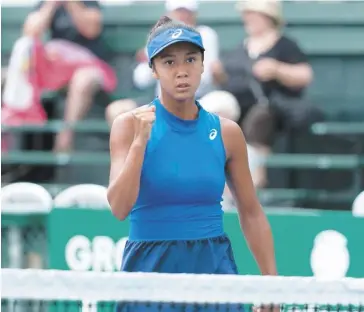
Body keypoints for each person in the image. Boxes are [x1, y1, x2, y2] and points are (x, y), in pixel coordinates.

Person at [108, 15, 277, 312]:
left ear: (202, 65)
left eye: (190, 59)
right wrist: (139, 145)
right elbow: (119, 208)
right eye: (169, 62)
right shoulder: (128, 125)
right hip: (147, 272)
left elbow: (251, 211)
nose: (181, 71)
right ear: (154, 70)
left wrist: (271, 283)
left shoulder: (227, 132)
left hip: (214, 268)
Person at [212, 0, 313, 188]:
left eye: (253, 14)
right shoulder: (241, 47)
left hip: (276, 108)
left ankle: (255, 181)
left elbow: (305, 75)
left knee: (259, 119)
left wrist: (277, 70)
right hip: (241, 105)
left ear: (268, 17)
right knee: (217, 114)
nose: (248, 18)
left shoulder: (285, 44)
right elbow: (227, 77)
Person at [105, 0, 240, 125]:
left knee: (224, 106)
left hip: (198, 99)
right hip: (161, 101)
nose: (182, 16)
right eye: (178, 12)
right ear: (169, 13)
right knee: (117, 111)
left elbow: (206, 78)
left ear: (195, 14)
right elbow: (142, 79)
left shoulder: (205, 34)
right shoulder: (158, 36)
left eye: (187, 12)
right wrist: (150, 59)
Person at [22, 0, 112, 152]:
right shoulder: (46, 4)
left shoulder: (88, 2)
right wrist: (50, 5)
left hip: (88, 66)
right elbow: (30, 33)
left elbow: (91, 29)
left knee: (82, 80)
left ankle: (65, 140)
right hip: (55, 70)